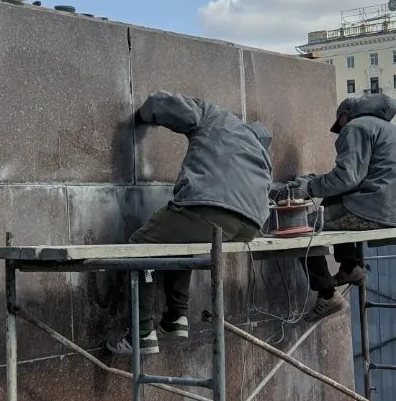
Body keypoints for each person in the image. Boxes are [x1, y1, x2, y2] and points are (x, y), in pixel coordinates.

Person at [107, 92, 273, 356]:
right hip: (250, 225)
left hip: (211, 207)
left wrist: (142, 115)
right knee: (182, 241)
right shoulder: (258, 148)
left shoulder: (216, 117)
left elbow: (165, 104)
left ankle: (141, 333)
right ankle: (175, 319)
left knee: (140, 247)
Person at [274, 91, 396, 319]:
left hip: (375, 208)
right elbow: (358, 179)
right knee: (333, 204)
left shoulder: (355, 127)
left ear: (344, 115)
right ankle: (351, 267)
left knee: (303, 227)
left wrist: (309, 187)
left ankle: (327, 293)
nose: (339, 131)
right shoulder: (390, 131)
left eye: (338, 125)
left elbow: (346, 178)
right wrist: (319, 182)